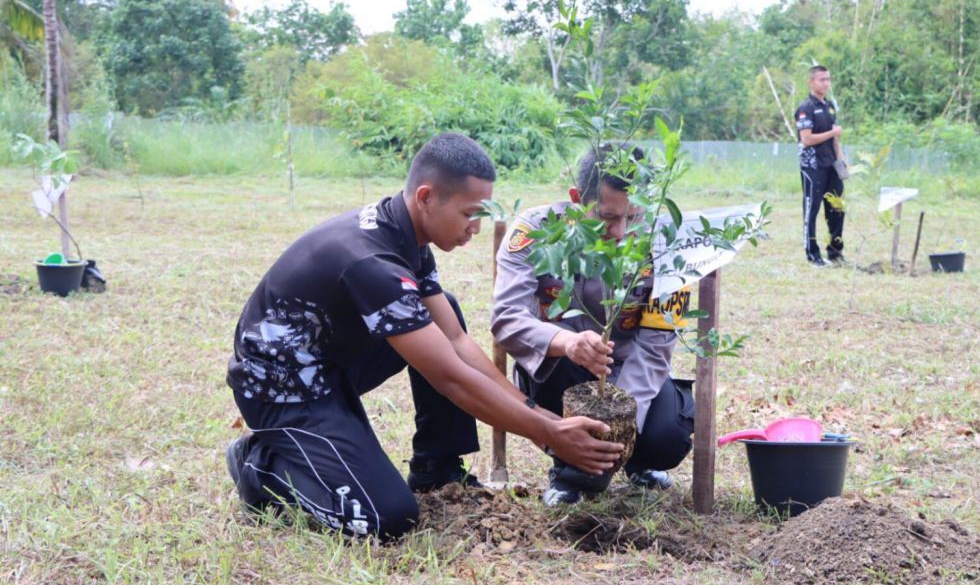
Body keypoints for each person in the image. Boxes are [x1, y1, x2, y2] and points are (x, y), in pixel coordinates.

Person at [224, 132, 623, 540]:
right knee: (385, 520)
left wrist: (541, 418)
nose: (476, 228)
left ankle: (437, 468)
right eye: (470, 213)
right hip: (282, 390)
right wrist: (548, 434)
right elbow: (449, 377)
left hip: (328, 363)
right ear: (426, 197)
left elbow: (455, 343)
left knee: (441, 308)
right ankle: (259, 465)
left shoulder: (406, 234)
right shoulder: (373, 263)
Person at [491, 146, 696, 506]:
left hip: (630, 373)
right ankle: (568, 472)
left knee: (668, 438)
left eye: (632, 217)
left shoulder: (667, 246)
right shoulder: (535, 232)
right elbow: (506, 320)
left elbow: (655, 347)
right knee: (566, 363)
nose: (619, 232)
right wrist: (565, 342)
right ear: (575, 199)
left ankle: (633, 460)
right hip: (559, 371)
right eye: (606, 218)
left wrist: (620, 424)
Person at [795, 65, 847, 267]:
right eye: (821, 80)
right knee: (812, 210)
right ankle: (812, 253)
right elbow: (806, 139)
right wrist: (833, 134)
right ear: (811, 82)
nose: (826, 83)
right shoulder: (806, 108)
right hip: (813, 166)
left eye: (828, 79)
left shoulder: (830, 105)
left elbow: (836, 136)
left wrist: (841, 160)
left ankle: (835, 252)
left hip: (831, 164)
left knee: (836, 208)